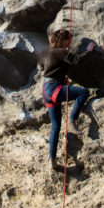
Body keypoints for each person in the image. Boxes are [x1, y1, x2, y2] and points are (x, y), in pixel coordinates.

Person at [40, 29, 94, 171]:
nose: (70, 43)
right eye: (68, 40)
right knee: (83, 92)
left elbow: (41, 65)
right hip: (54, 88)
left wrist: (58, 74)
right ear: (63, 41)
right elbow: (77, 60)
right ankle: (72, 120)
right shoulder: (62, 52)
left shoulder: (47, 51)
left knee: (55, 126)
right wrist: (89, 50)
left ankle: (52, 160)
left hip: (46, 89)